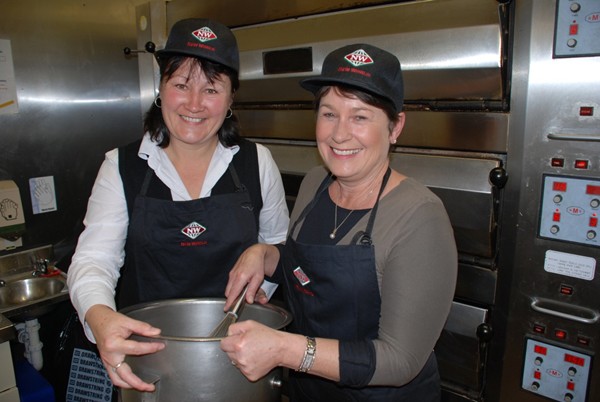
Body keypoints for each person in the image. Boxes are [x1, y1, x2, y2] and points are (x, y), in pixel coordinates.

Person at [221, 43, 457, 401]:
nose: (339, 134)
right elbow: (309, 269)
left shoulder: (420, 216)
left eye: (360, 117)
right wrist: (266, 254)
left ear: (395, 127)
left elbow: (400, 360)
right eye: (329, 114)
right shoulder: (316, 182)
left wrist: (285, 350)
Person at [67, 18, 289, 392]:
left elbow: (280, 247)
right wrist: (101, 317)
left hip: (239, 359)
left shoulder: (256, 162)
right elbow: (93, 260)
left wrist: (264, 265)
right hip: (150, 363)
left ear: (231, 97)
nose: (194, 104)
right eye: (181, 85)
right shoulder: (121, 167)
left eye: (211, 89)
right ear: (161, 88)